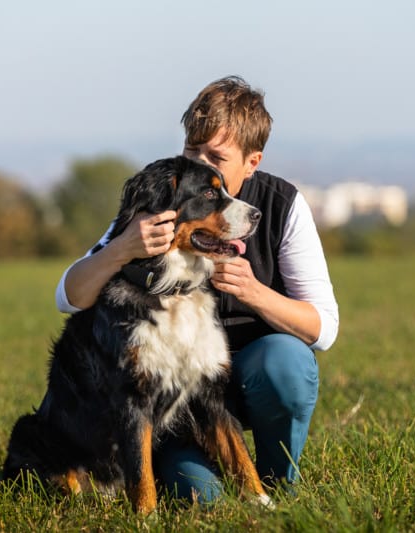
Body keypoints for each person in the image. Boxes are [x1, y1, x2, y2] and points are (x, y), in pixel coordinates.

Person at [55, 76, 339, 502]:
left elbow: (325, 329)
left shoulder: (283, 205)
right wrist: (121, 248)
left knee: (288, 361)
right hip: (171, 406)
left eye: (216, 156)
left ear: (251, 162)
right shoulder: (163, 195)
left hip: (248, 379)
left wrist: (255, 293)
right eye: (193, 150)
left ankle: (279, 485)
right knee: (199, 496)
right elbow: (68, 296)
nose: (201, 163)